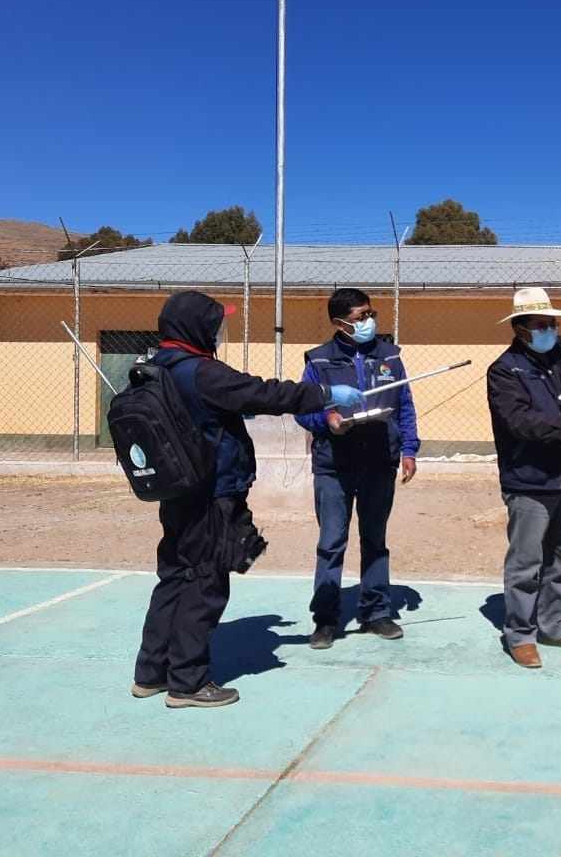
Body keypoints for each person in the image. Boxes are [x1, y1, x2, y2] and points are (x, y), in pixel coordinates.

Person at [133, 290, 364, 708]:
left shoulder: (156, 366)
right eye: (215, 322)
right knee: (205, 582)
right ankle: (188, 681)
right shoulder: (201, 372)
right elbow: (263, 393)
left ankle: (151, 673)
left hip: (178, 492)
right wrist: (326, 394)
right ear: (196, 327)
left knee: (175, 576)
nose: (219, 329)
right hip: (212, 493)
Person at [296, 288, 420, 648]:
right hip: (334, 466)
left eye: (370, 314)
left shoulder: (390, 356)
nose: (369, 322)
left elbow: (405, 404)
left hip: (380, 461)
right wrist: (329, 418)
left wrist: (409, 449)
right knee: (331, 542)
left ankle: (377, 612)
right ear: (339, 323)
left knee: (375, 540)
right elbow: (304, 408)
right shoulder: (319, 361)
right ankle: (325, 619)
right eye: (360, 317)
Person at [486, 287, 561, 669]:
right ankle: (520, 634)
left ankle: (554, 623)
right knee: (525, 561)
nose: (550, 330)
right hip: (529, 477)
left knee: (560, 556)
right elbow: (520, 421)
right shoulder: (505, 370)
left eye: (553, 324)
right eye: (542, 325)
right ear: (520, 328)